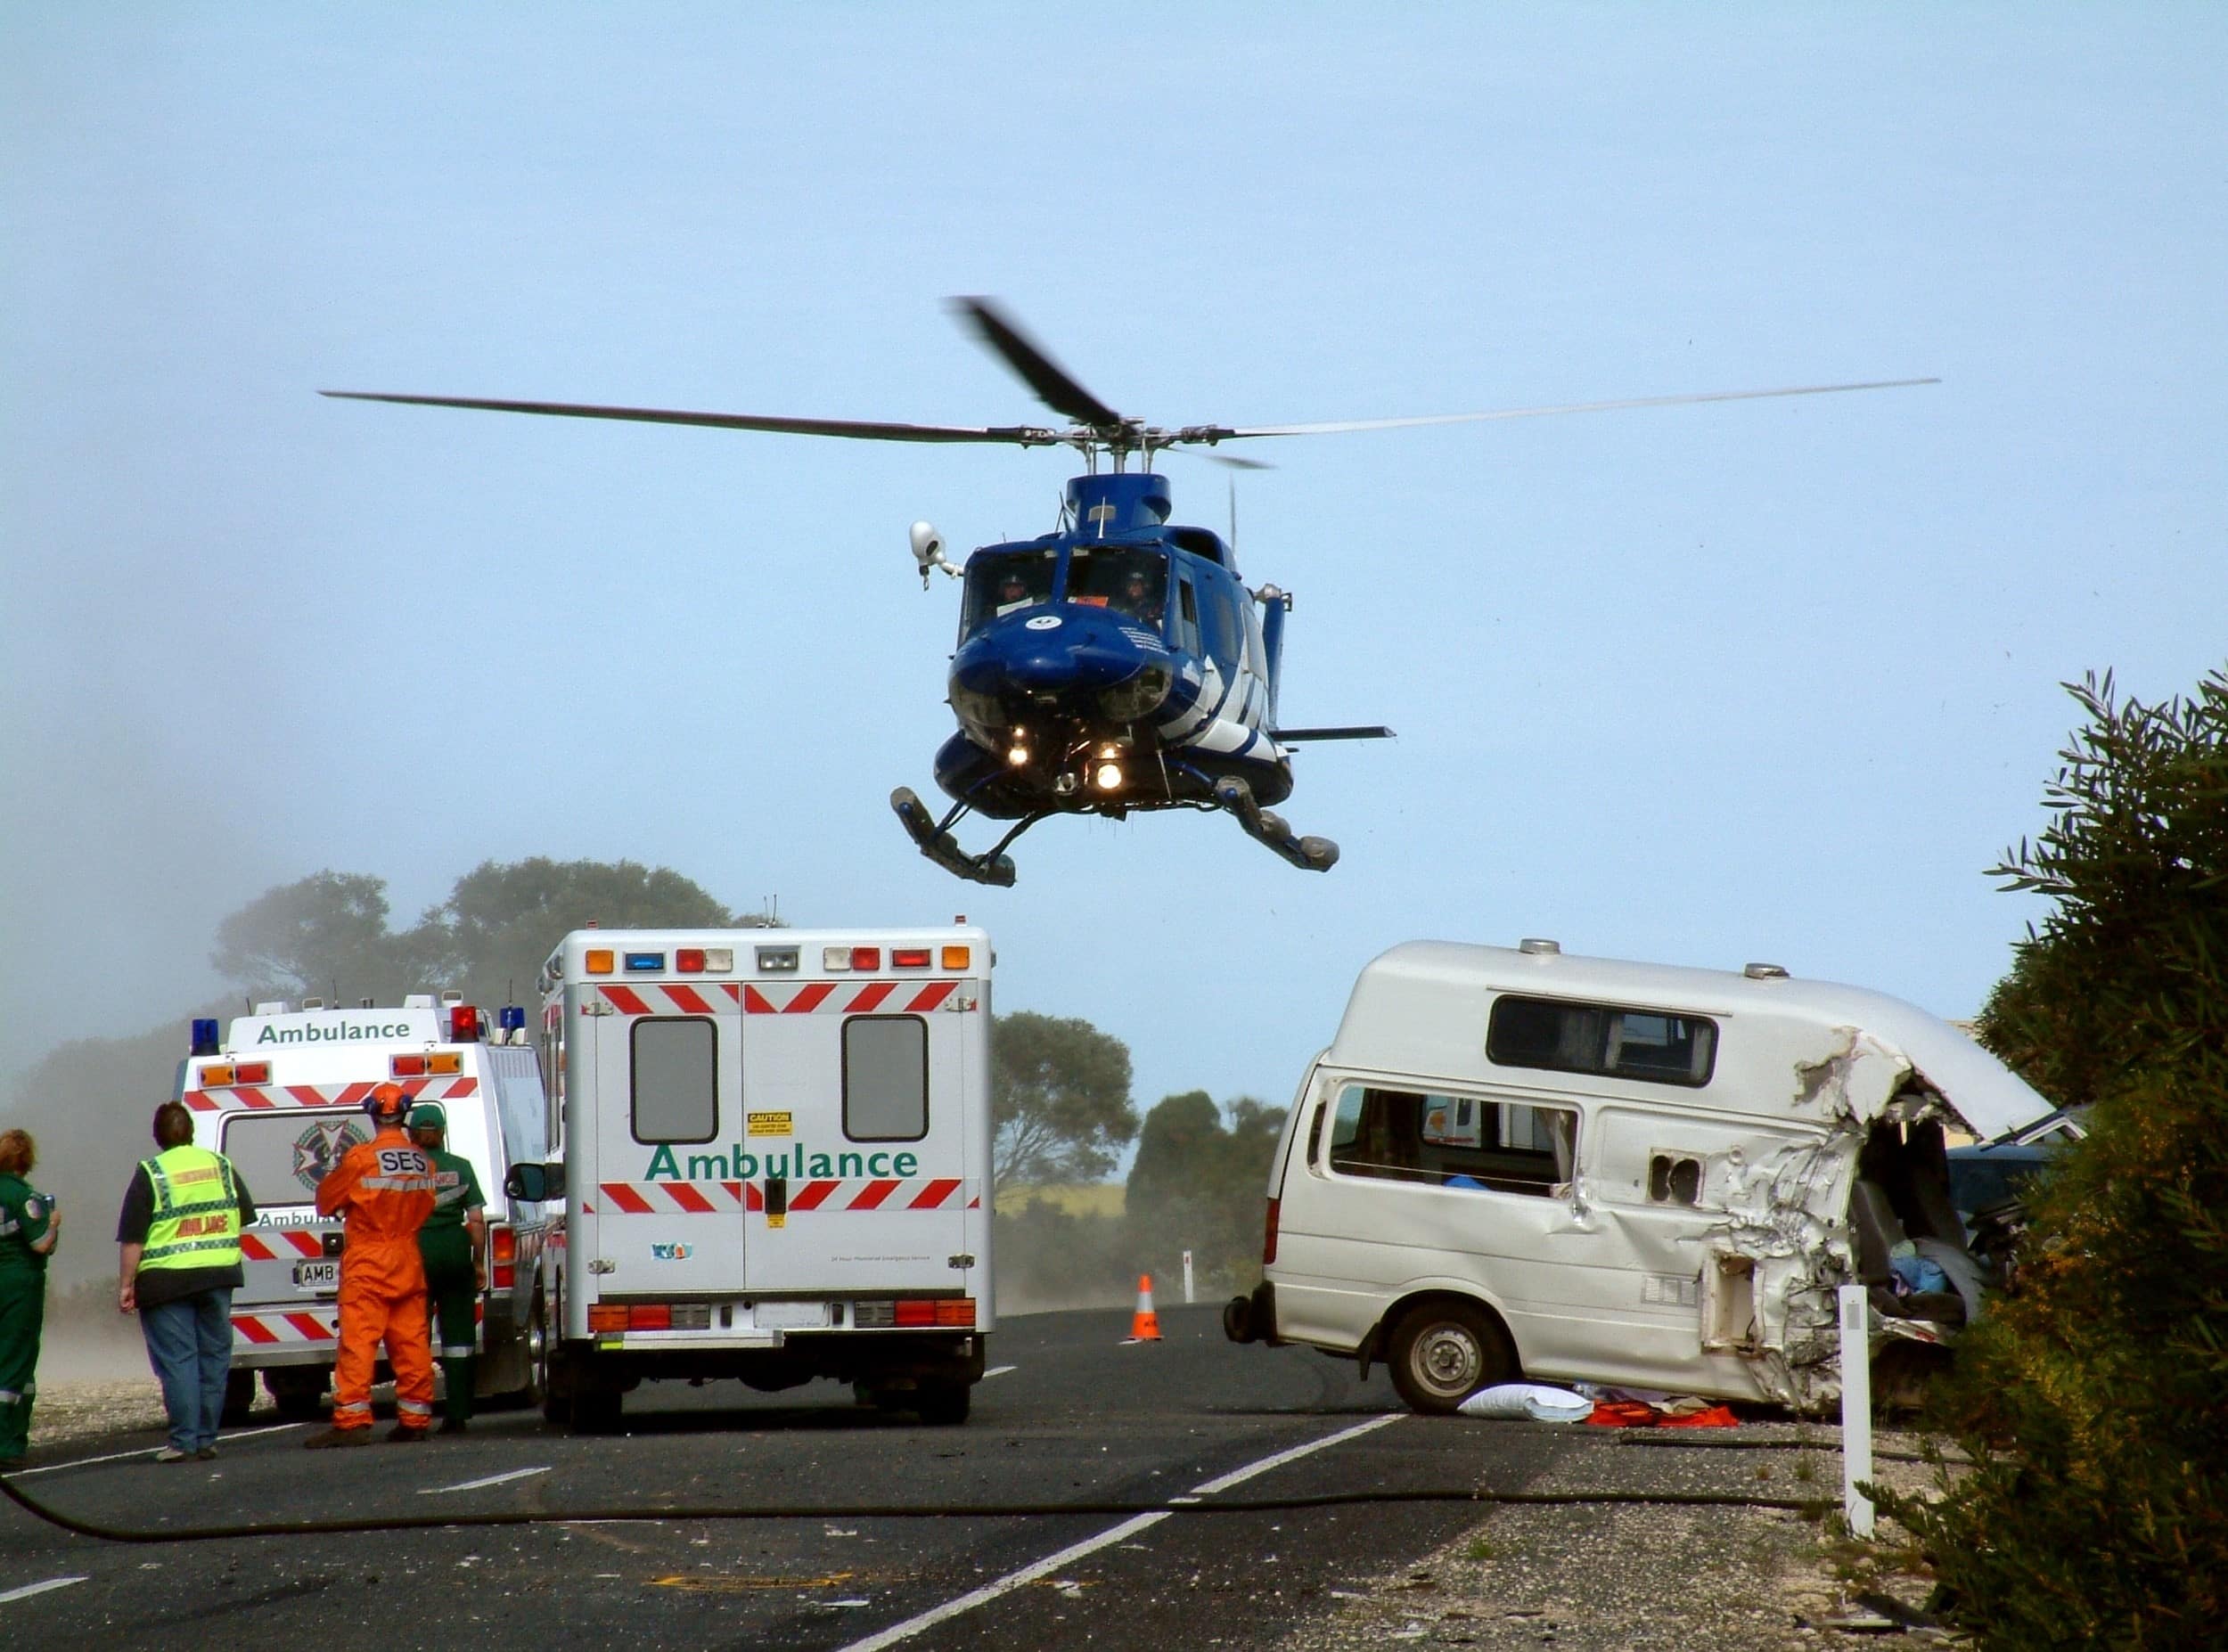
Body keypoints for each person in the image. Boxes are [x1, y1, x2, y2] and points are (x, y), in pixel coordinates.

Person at [116, 1102, 253, 1463]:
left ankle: (182, 1440)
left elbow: (133, 1238)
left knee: (178, 1361)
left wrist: (126, 1285)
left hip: (165, 1281)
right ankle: (207, 1438)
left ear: (157, 1137)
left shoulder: (151, 1172)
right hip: (219, 1274)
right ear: (192, 1132)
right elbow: (245, 1216)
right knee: (214, 1358)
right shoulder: (221, 1166)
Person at [304, 1082, 437, 1447]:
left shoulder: (361, 1159)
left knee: (359, 1341)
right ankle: (415, 1418)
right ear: (405, 1114)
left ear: (373, 1115)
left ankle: (352, 1419)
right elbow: (426, 1206)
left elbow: (326, 1200)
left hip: (368, 1260)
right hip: (407, 1257)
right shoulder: (423, 1162)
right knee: (411, 1342)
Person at [407, 1102, 487, 1435]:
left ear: (412, 1134)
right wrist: (478, 1263)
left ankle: (415, 1413)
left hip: (415, 1255)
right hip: (455, 1251)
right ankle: (457, 1413)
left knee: (414, 1336)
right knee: (459, 1339)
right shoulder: (462, 1168)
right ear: (442, 1133)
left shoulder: (404, 1170)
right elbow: (477, 1221)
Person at [0, 1130, 60, 1463]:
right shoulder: (27, 1198)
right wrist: (53, 1223)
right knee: (15, 1363)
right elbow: (40, 1244)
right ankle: (8, 1444)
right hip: (20, 1287)